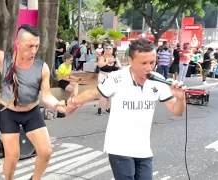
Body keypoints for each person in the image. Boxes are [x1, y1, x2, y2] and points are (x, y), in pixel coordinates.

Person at [0, 4, 66, 180]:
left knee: (46, 151)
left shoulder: (43, 67)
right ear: (18, 44)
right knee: (12, 158)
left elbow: (46, 95)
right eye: (29, 46)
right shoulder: (4, 59)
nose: (34, 51)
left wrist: (58, 104)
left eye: (36, 46)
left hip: (32, 113)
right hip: (9, 114)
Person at [63, 39, 186, 180]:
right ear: (130, 60)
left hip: (143, 149)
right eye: (143, 63)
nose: (149, 68)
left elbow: (177, 111)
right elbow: (93, 93)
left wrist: (180, 99)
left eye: (152, 62)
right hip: (119, 147)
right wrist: (71, 103)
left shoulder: (158, 80)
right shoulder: (117, 78)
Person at [96, 43, 121, 115]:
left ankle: (108, 108)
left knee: (110, 94)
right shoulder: (102, 57)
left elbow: (119, 66)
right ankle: (100, 109)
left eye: (110, 49)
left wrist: (115, 62)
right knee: (102, 94)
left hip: (111, 78)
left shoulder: (115, 58)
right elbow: (100, 65)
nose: (108, 50)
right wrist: (107, 61)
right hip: (103, 77)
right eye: (106, 48)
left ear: (112, 50)